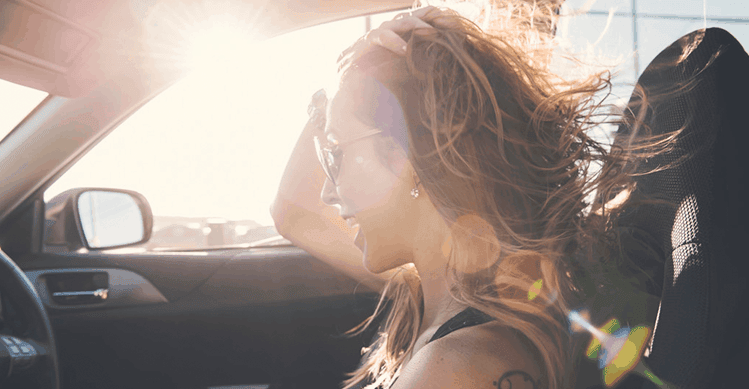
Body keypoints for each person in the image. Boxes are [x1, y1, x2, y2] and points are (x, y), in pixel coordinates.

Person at [272, 3, 662, 389]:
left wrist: (358, 72)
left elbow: (297, 211)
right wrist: (351, 75)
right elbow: (292, 213)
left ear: (406, 156)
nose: (327, 188)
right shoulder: (440, 289)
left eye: (336, 153)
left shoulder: (457, 367)